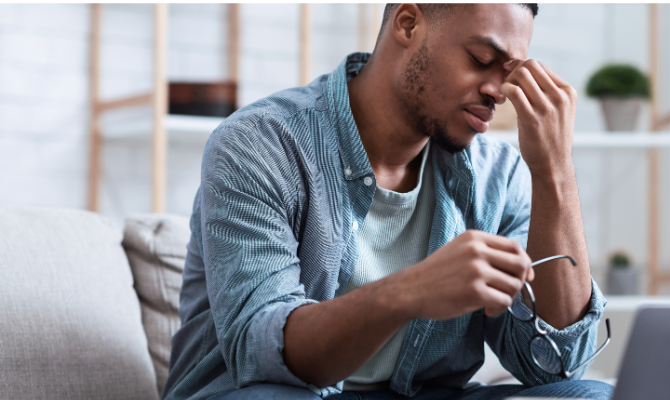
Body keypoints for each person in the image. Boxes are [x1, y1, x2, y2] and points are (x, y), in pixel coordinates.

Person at [163, 3, 612, 400]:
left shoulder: (500, 175)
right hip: (279, 393)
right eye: (481, 60)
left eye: (509, 73)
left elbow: (554, 364)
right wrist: (411, 291)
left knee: (595, 396)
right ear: (408, 23)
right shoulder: (261, 144)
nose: (497, 91)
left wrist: (555, 171)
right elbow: (261, 355)